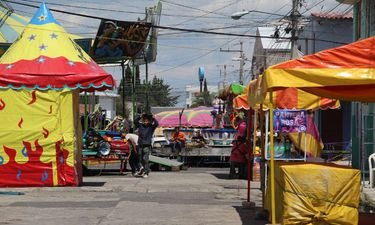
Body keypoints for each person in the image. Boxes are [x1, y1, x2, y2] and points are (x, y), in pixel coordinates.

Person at [134, 113, 158, 178]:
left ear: (149, 121)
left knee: (145, 159)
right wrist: (140, 116)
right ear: (143, 121)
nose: (146, 122)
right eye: (144, 121)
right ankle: (142, 169)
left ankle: (146, 172)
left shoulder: (151, 127)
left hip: (147, 144)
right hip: (140, 144)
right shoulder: (140, 125)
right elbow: (135, 121)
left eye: (147, 121)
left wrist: (153, 118)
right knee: (140, 158)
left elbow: (156, 124)